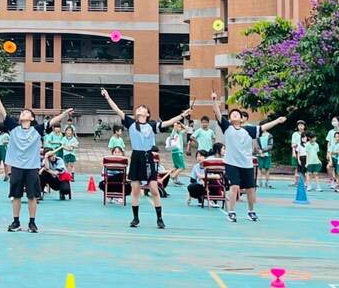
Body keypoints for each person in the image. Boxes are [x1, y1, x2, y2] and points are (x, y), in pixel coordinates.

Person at [102, 87, 190, 229]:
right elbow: (117, 110)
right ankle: (135, 218)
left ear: (147, 113)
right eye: (139, 108)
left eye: (143, 108)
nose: (140, 109)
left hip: (148, 157)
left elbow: (168, 122)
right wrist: (107, 97)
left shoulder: (152, 126)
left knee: (154, 190)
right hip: (136, 157)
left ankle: (159, 219)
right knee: (135, 190)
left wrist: (182, 116)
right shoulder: (131, 123)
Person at [0, 89, 72, 233]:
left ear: (31, 118)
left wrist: (64, 114)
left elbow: (51, 122)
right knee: (16, 195)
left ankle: (32, 223)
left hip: (32, 168)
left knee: (32, 196)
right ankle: (16, 222)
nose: (23, 112)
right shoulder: (14, 128)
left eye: (26, 112)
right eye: (22, 112)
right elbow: (3, 113)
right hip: (17, 167)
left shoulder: (37, 130)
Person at [211, 92, 286, 222]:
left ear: (241, 119)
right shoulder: (227, 127)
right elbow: (217, 113)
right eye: (232, 114)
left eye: (237, 114)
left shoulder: (249, 130)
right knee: (234, 187)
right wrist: (214, 100)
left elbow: (263, 127)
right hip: (231, 163)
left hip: (246, 163)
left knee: (251, 189)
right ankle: (232, 212)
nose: (234, 114)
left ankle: (251, 211)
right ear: (229, 119)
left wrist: (277, 121)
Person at [325, 116, 339, 188]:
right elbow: (329, 143)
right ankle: (332, 180)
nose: (333, 122)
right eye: (332, 121)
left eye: (335, 121)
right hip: (331, 153)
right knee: (329, 167)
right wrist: (327, 152)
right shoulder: (330, 132)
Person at [166, 121, 187, 185]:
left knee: (176, 167)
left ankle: (176, 180)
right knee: (182, 167)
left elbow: (186, 129)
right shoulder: (174, 133)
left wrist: (180, 123)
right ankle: (173, 176)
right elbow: (175, 128)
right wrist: (176, 124)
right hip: (177, 152)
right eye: (178, 127)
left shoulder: (179, 133)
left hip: (176, 152)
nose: (179, 128)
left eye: (180, 127)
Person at [290, 120, 307, 186]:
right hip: (297, 151)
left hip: (304, 152)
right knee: (296, 167)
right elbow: (293, 144)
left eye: (302, 125)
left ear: (304, 126)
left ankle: (304, 181)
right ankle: (295, 181)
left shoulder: (306, 134)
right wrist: (293, 152)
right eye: (299, 125)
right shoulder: (295, 134)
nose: (300, 127)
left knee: (304, 167)